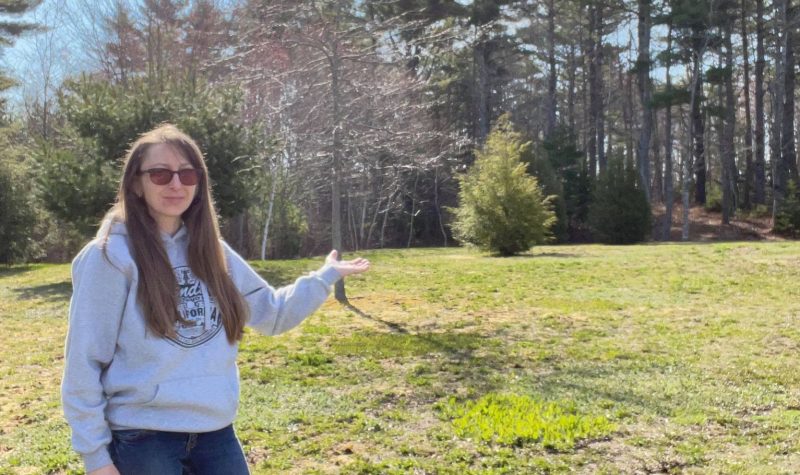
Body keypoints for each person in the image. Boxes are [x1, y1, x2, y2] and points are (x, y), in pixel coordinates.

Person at [61, 124, 370, 475]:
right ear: (136, 183)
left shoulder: (211, 250)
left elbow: (272, 314)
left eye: (187, 173)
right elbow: (84, 363)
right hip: (144, 437)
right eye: (160, 174)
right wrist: (96, 458)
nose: (176, 184)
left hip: (216, 434)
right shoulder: (110, 256)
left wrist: (325, 276)